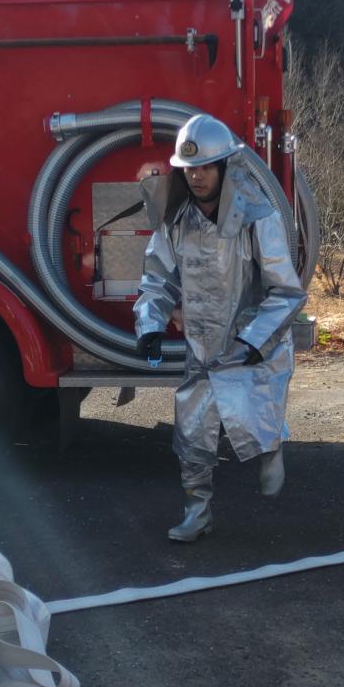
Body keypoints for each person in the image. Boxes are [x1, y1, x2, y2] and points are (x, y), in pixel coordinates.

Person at [133, 114, 306, 543]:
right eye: (190, 168)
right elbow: (157, 276)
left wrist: (254, 339)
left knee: (255, 413)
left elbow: (285, 291)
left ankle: (270, 450)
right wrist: (150, 323)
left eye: (206, 167)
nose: (197, 176)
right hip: (203, 343)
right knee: (192, 431)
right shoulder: (177, 221)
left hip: (252, 342)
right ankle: (197, 512)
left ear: (226, 166)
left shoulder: (256, 217)